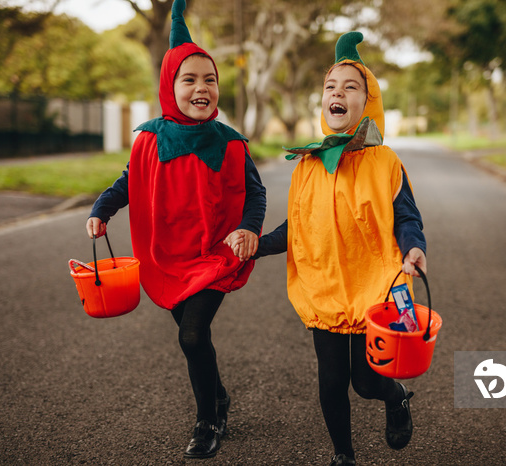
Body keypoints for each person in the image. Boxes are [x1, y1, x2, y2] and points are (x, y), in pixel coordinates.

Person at [232, 31, 427, 466]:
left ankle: (395, 397)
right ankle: (344, 455)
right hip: (324, 287)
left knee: (366, 381)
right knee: (331, 380)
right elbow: (297, 227)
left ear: (368, 103)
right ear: (322, 101)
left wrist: (414, 248)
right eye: (330, 88)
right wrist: (256, 246)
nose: (337, 93)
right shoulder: (307, 162)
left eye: (350, 87)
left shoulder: (385, 162)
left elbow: (407, 217)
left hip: (375, 285)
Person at [85, 0, 265, 459]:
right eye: (189, 79)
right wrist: (103, 208)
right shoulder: (149, 137)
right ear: (170, 85)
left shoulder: (230, 142)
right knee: (192, 336)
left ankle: (208, 419)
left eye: (210, 79)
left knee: (191, 335)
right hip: (167, 255)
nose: (201, 87)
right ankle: (219, 395)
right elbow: (130, 180)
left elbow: (255, 193)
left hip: (214, 254)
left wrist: (248, 227)